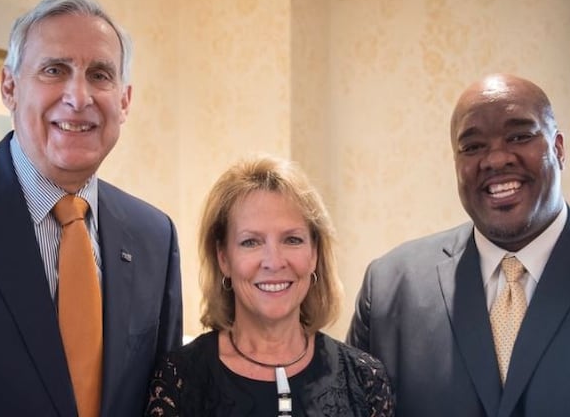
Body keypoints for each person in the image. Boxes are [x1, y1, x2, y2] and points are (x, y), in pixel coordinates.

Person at [0, 0, 183, 417]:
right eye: (54, 70)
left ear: (124, 101)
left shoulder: (155, 236)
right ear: (9, 87)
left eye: (100, 75)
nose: (78, 97)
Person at [347, 73, 570, 416]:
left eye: (519, 136)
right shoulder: (389, 289)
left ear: (559, 149)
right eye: (473, 147)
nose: (495, 159)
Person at [145, 154, 394, 416]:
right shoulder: (179, 378)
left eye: (292, 240)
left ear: (314, 254)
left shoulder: (365, 379)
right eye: (251, 242)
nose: (274, 262)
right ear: (224, 258)